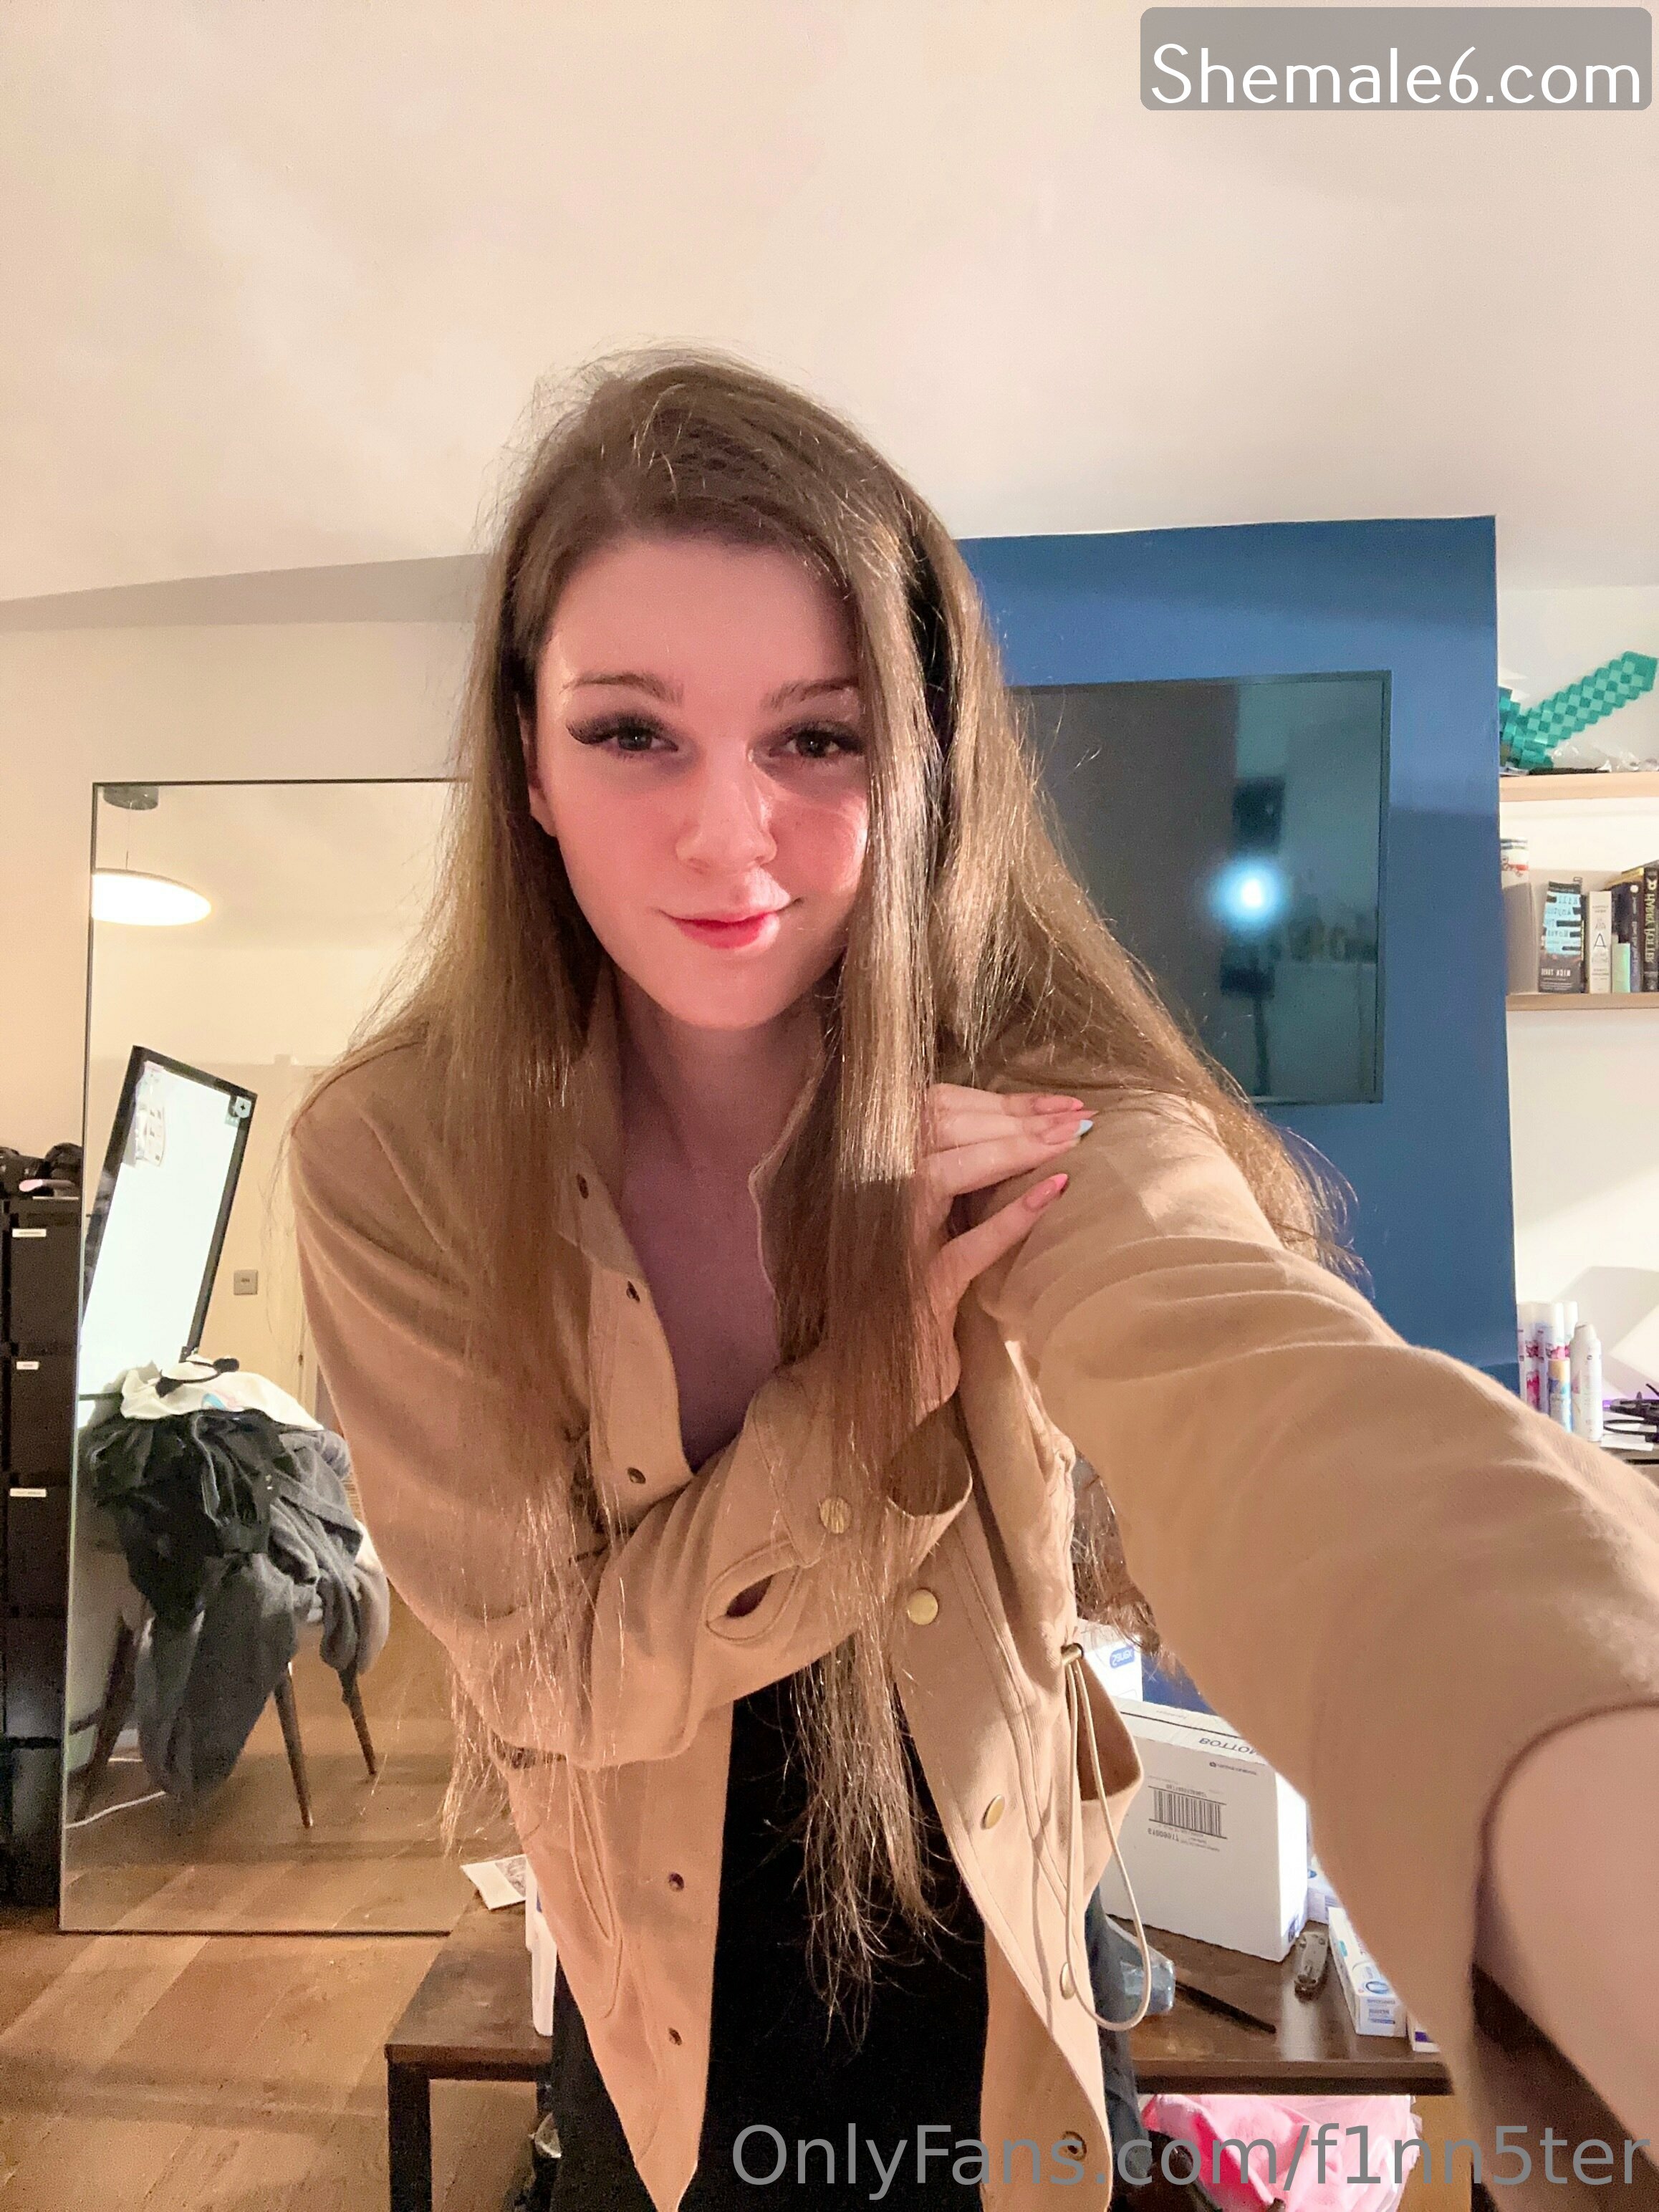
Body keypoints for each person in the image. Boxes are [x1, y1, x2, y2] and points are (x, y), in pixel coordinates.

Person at [287, 352, 1659, 2212]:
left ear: (928, 761)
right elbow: (553, 1674)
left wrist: (1569, 1746)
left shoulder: (1039, 1102)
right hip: (655, 2009)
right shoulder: (400, 1159)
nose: (725, 834)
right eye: (630, 733)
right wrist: (869, 1386)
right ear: (527, 757)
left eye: (818, 739)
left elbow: (1266, 1397)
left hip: (1013, 1968)